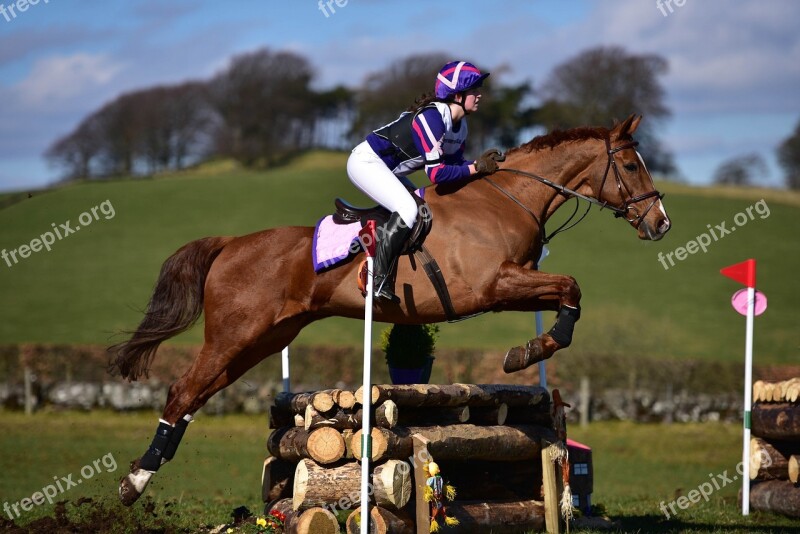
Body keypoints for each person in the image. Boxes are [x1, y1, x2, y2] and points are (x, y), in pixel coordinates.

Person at [347, 60, 504, 303]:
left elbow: (455, 166)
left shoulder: (460, 127)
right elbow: (437, 174)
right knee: (408, 210)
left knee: (424, 210)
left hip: (391, 172)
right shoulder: (431, 118)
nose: (479, 95)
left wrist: (479, 167)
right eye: (474, 90)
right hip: (365, 163)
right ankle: (378, 280)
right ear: (457, 95)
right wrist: (475, 168)